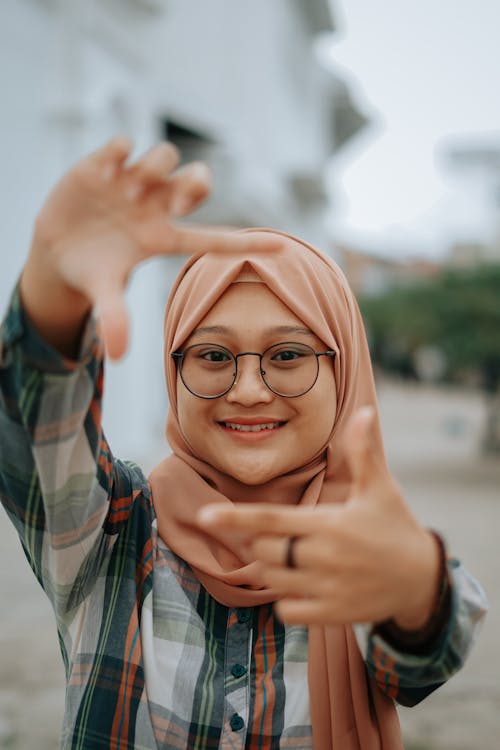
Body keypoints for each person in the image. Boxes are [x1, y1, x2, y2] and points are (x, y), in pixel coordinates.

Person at [0, 137, 487, 750]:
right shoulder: (109, 533)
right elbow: (37, 439)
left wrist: (417, 587)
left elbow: (425, 662)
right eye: (212, 355)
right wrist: (53, 290)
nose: (250, 390)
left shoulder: (360, 544)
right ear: (174, 370)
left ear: (345, 373)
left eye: (287, 355)